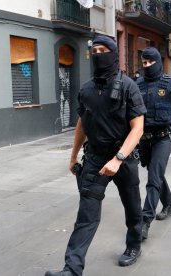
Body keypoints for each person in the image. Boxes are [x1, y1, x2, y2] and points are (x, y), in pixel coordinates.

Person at [45, 35, 147, 276]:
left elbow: (138, 128)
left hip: (123, 158)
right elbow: (82, 123)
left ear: (113, 53)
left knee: (132, 206)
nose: (99, 54)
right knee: (86, 216)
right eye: (96, 50)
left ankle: (133, 246)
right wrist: (73, 156)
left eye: (104, 50)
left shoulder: (128, 86)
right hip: (94, 158)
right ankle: (72, 269)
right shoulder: (87, 89)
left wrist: (119, 158)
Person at [136, 47, 171, 240]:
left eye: (150, 62)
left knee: (153, 178)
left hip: (163, 137)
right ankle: (169, 204)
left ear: (158, 62)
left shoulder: (170, 85)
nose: (147, 66)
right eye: (144, 63)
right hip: (143, 138)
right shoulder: (137, 84)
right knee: (155, 172)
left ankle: (145, 221)